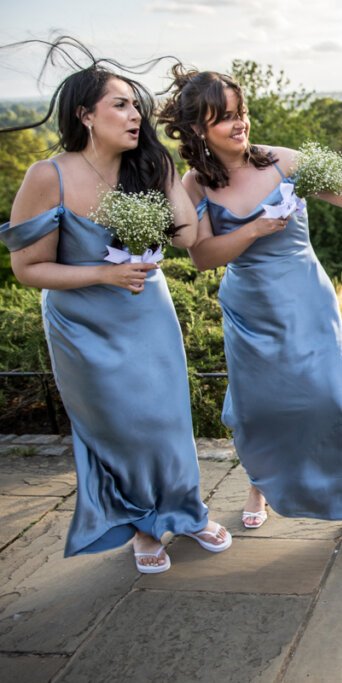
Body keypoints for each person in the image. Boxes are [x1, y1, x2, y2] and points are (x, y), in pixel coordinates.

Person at [159, 67, 342, 551]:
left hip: (308, 303)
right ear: (197, 130)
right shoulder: (195, 186)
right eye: (226, 119)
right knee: (261, 408)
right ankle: (260, 485)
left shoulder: (282, 162)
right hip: (250, 311)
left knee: (332, 403)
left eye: (242, 113)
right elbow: (202, 256)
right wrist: (255, 229)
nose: (241, 125)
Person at [0, 40, 230, 574]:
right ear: (85, 115)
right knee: (118, 423)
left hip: (147, 312)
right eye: (120, 105)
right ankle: (141, 523)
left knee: (167, 417)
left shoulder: (145, 167)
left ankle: (185, 510)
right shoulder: (47, 176)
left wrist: (166, 169)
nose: (134, 115)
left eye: (136, 106)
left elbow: (184, 239)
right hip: (83, 324)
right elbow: (28, 269)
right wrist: (103, 272)